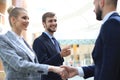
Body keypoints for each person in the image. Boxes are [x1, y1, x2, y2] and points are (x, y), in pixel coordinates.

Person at [0, 6, 68, 80]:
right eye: (24, 18)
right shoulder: (3, 39)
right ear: (13, 20)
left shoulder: (23, 40)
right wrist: (52, 68)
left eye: (28, 18)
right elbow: (19, 64)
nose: (27, 21)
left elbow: (35, 64)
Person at [61, 0, 120, 80]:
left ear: (101, 2)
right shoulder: (115, 23)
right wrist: (77, 70)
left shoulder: (111, 24)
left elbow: (110, 71)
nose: (93, 10)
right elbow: (106, 65)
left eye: (94, 4)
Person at [32, 12, 71, 80]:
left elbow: (57, 63)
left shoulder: (56, 41)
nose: (53, 23)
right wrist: (60, 55)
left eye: (55, 20)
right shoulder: (38, 41)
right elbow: (41, 66)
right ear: (44, 24)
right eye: (50, 21)